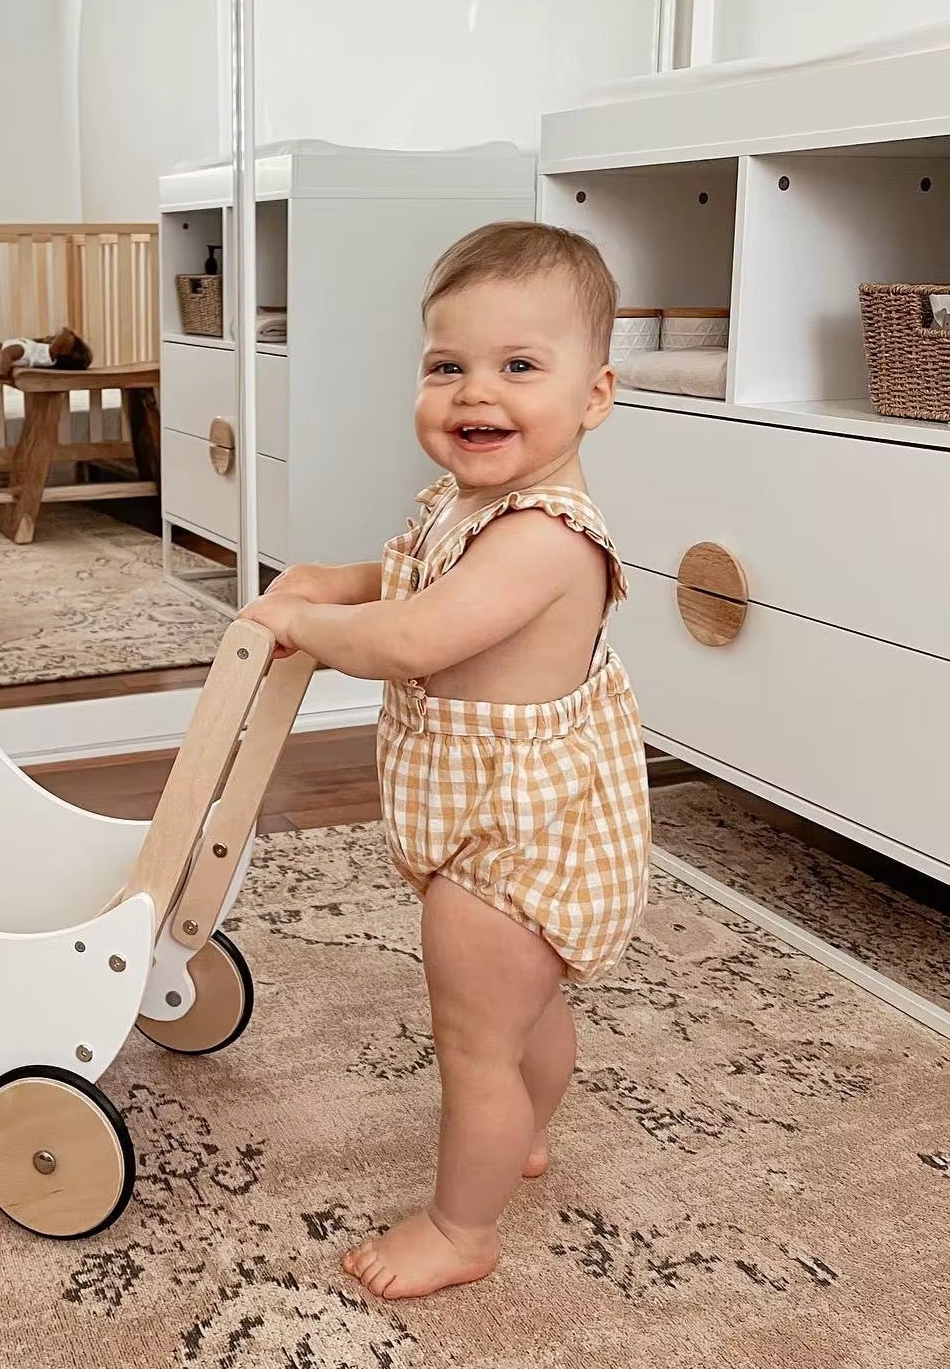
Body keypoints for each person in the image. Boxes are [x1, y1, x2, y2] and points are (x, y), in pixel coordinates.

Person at [240, 221, 651, 1300]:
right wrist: (329, 583)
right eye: (448, 366)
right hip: (490, 812)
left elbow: (419, 639)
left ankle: (462, 1227)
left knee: (474, 1040)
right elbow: (404, 579)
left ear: (595, 396)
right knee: (527, 1015)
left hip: (514, 839)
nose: (478, 392)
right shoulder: (468, 506)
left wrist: (310, 634)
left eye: (520, 366)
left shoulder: (544, 537)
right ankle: (524, 1130)